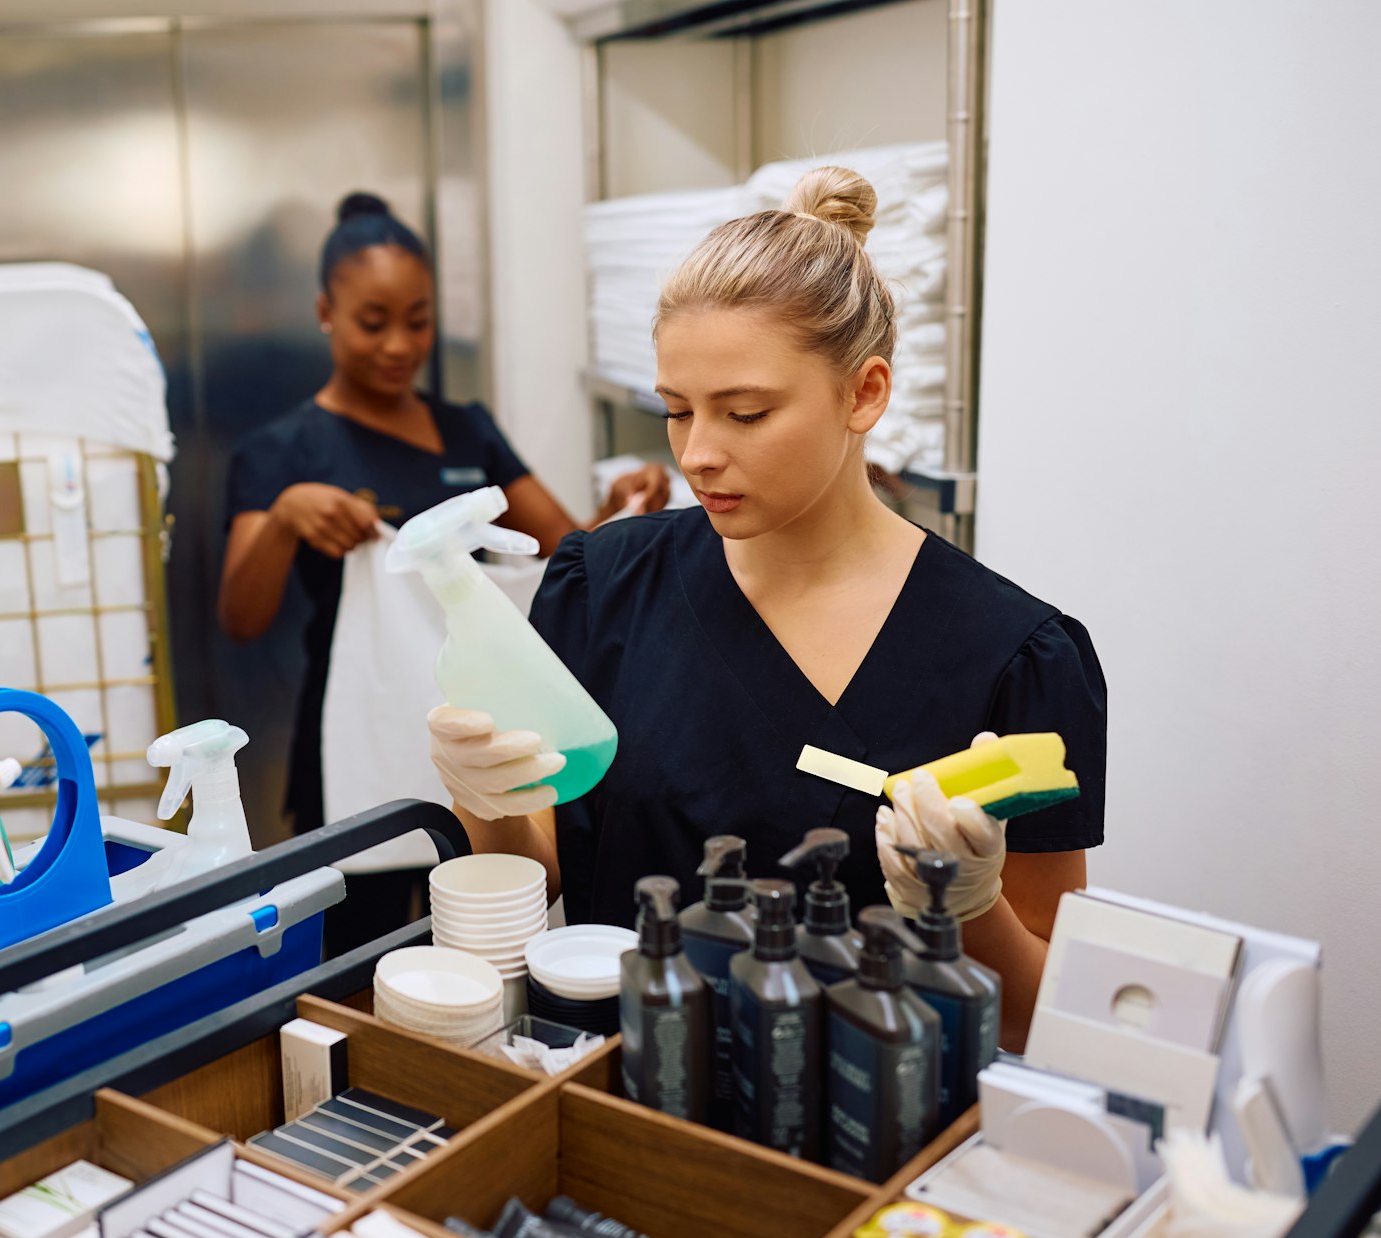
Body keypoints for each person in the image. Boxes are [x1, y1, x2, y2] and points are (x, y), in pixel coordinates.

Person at [429, 167, 1105, 1048]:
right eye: (676, 411)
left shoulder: (1014, 658)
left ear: (864, 393)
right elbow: (547, 874)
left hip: (869, 1136)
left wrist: (967, 907)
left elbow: (1045, 1016)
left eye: (745, 414)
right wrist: (486, 797)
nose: (698, 454)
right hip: (615, 1094)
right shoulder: (605, 585)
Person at [221, 192, 667, 953]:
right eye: (373, 321)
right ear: (327, 310)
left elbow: (562, 556)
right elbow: (241, 613)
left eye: (418, 321)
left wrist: (621, 507)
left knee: (480, 934)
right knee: (356, 950)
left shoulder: (467, 430)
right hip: (356, 740)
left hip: (485, 738)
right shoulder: (283, 452)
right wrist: (287, 516)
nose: (399, 344)